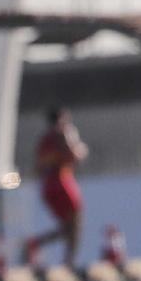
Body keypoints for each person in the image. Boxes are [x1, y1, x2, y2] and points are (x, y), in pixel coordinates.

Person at [22, 106, 88, 269]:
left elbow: (38, 166)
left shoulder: (44, 140)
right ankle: (68, 261)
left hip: (47, 185)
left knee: (67, 227)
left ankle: (34, 244)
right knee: (75, 223)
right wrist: (81, 149)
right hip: (62, 181)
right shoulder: (63, 132)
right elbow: (73, 155)